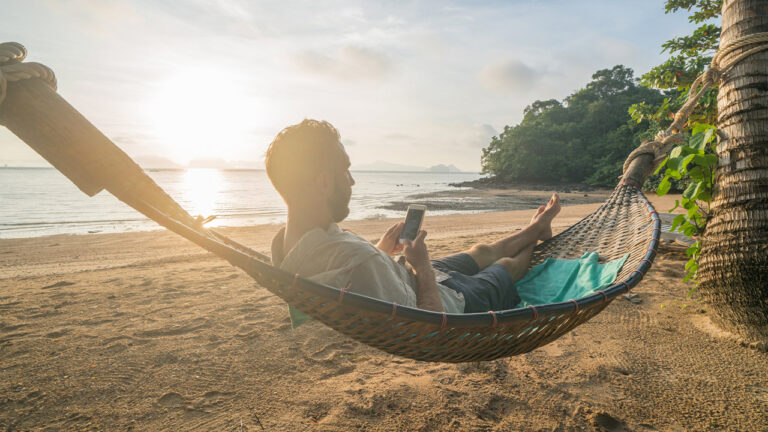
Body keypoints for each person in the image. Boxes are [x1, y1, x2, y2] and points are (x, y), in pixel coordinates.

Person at [266, 119, 560, 317]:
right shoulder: (358, 260)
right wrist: (421, 265)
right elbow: (427, 318)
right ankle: (536, 235)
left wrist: (381, 250)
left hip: (402, 274)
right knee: (505, 265)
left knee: (481, 251)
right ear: (323, 183)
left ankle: (535, 227)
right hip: (449, 300)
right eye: (345, 170)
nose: (352, 181)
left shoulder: (285, 249)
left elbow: (351, 272)